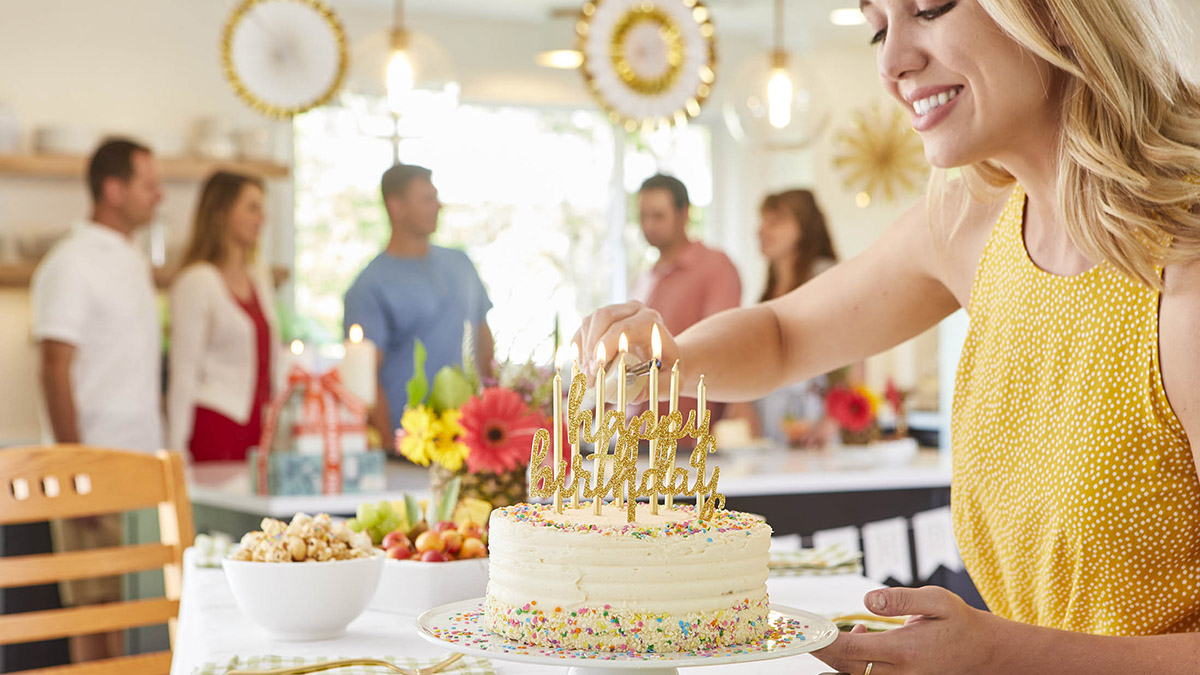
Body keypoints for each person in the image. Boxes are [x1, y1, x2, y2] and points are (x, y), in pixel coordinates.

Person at [579, 0, 1200, 671]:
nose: (891, 61)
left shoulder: (1183, 271)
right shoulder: (973, 216)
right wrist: (673, 356)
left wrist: (1000, 655)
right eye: (878, 26)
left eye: (928, 8)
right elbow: (785, 333)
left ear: (1056, 13)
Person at [29, 137, 164, 663]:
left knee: (133, 610)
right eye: (148, 185)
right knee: (95, 609)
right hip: (93, 466)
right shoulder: (73, 263)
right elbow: (52, 367)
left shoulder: (129, 257)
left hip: (140, 463)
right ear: (113, 190)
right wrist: (73, 469)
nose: (159, 196)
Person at [344, 163, 494, 447]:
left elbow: (483, 336)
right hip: (410, 442)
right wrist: (388, 448)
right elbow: (367, 375)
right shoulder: (369, 286)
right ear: (395, 207)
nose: (438, 206)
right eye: (427, 199)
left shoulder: (461, 263)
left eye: (436, 197)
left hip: (470, 437)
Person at [168, 171, 277, 462]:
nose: (261, 218)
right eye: (252, 208)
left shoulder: (259, 279)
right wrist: (176, 453)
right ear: (220, 213)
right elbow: (183, 371)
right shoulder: (197, 282)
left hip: (259, 427)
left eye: (261, 209)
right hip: (215, 426)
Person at [725, 189, 841, 446]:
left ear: (804, 227)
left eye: (776, 221)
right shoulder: (769, 290)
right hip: (771, 423)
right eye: (763, 220)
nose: (761, 230)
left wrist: (831, 421)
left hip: (815, 424)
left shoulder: (825, 276)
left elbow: (856, 350)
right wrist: (742, 403)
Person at [630, 173, 741, 423]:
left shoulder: (715, 267)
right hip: (641, 429)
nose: (648, 226)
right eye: (643, 216)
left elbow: (725, 341)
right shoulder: (645, 277)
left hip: (690, 429)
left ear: (684, 214)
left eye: (658, 216)